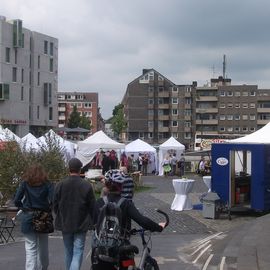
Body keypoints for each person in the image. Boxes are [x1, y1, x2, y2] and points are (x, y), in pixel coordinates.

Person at [91, 169, 166, 270]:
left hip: (99, 250)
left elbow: (93, 224)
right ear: (121, 186)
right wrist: (158, 227)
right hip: (121, 249)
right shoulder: (126, 203)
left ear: (107, 185)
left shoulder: (99, 202)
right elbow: (143, 221)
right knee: (128, 264)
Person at [53, 158, 96, 270]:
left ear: (69, 169)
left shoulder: (60, 185)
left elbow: (55, 204)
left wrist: (60, 214)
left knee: (68, 251)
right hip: (81, 222)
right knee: (78, 251)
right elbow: (92, 206)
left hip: (65, 221)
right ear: (80, 169)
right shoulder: (86, 185)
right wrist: (94, 221)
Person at [14, 163, 54, 270]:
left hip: (28, 216)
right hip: (43, 217)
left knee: (31, 248)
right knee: (43, 247)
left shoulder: (25, 183)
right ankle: (43, 267)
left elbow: (16, 200)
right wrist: (48, 208)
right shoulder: (47, 184)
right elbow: (53, 200)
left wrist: (23, 208)